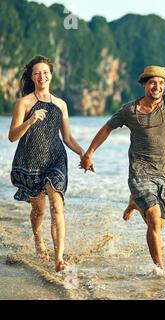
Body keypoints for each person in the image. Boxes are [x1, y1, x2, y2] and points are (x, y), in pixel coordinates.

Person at [80, 66, 165, 269]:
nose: (157, 86)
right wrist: (89, 153)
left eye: (161, 83)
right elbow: (107, 128)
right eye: (152, 82)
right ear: (144, 85)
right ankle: (160, 269)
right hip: (140, 171)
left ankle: (135, 202)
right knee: (153, 217)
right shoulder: (129, 110)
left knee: (158, 224)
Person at [8, 55, 85, 272]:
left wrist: (83, 154)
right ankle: (38, 239)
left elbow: (67, 137)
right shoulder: (24, 103)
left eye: (45, 72)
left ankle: (59, 258)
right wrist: (30, 120)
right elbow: (12, 136)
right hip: (30, 161)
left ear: (51, 75)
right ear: (31, 77)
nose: (41, 76)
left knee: (56, 204)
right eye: (36, 73)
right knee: (39, 210)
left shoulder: (61, 104)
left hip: (56, 159)